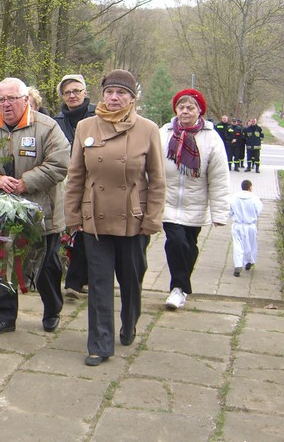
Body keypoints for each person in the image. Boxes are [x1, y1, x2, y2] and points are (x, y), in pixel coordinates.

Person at [63, 69, 165, 366]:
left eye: (121, 93)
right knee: (99, 282)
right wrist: (72, 215)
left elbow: (157, 180)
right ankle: (99, 344)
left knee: (131, 279)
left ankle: (129, 322)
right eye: (109, 92)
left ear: (132, 98)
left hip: (133, 218)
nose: (114, 97)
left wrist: (152, 219)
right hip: (95, 217)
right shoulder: (85, 127)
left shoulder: (147, 129)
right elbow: (75, 175)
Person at [0, 77, 70, 335]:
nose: (6, 104)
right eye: (1, 99)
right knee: (4, 264)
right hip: (3, 212)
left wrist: (25, 183)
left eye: (12, 98)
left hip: (43, 213)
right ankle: (3, 317)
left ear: (25, 99)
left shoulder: (47, 127)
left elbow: (60, 164)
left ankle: (52, 309)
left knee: (46, 268)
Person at [160, 89, 230, 311]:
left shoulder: (211, 138)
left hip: (196, 205)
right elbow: (150, 167)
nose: (185, 111)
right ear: (175, 110)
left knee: (189, 247)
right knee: (176, 242)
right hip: (168, 203)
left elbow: (219, 178)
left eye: (190, 108)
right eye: (181, 107)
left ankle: (181, 288)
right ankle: (178, 289)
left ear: (199, 111)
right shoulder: (164, 134)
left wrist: (220, 213)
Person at [53, 73, 96, 299]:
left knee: (88, 229)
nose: (72, 95)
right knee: (74, 227)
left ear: (85, 93)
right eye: (67, 92)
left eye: (76, 91)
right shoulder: (57, 121)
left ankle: (80, 279)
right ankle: (75, 280)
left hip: (94, 180)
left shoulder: (97, 115)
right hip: (67, 180)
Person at [230, 179, 263, 277]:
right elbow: (258, 210)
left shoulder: (234, 197)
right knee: (251, 244)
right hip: (250, 225)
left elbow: (230, 211)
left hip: (238, 224)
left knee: (237, 245)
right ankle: (249, 261)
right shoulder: (254, 198)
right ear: (250, 187)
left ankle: (238, 265)